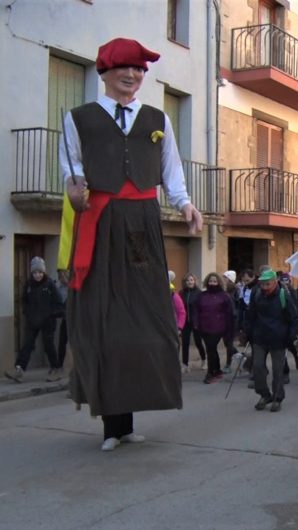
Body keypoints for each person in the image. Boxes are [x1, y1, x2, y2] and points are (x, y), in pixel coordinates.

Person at [60, 38, 203, 451]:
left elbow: (171, 170)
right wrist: (72, 194)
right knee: (104, 324)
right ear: (104, 72)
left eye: (140, 69)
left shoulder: (157, 118)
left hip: (142, 223)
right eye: (125, 67)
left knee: (145, 321)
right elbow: (70, 168)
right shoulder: (79, 118)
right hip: (100, 221)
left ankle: (130, 418)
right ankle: (112, 424)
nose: (133, 75)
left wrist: (185, 204)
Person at [245, 269, 298, 412]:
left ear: (275, 282)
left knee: (278, 370)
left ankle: (277, 398)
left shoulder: (283, 295)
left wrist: (290, 336)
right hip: (260, 337)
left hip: (279, 338)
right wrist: (247, 331)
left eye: (267, 284)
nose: (264, 287)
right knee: (257, 368)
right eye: (262, 284)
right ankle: (264, 394)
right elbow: (251, 314)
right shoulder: (256, 294)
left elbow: (294, 318)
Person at [5, 257, 63, 383]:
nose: (38, 275)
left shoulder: (50, 285)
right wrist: (27, 312)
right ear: (32, 273)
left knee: (49, 346)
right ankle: (19, 370)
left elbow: (59, 303)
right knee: (27, 345)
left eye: (40, 272)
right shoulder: (28, 285)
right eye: (35, 272)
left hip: (47, 321)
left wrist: (51, 314)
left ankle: (55, 369)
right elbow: (24, 300)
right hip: (33, 321)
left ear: (44, 272)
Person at [193, 273, 235, 384]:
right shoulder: (201, 295)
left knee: (211, 349)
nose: (212, 283)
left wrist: (230, 330)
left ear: (219, 283)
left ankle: (210, 373)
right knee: (211, 349)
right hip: (204, 327)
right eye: (210, 281)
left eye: (215, 281)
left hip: (219, 327)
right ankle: (217, 370)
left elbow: (230, 313)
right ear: (207, 282)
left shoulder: (225, 296)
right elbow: (196, 310)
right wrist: (196, 323)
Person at [179, 273, 207, 372]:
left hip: (196, 322)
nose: (190, 282)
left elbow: (202, 308)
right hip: (185, 322)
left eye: (191, 280)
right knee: (185, 343)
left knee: (198, 342)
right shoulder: (181, 293)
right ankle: (185, 364)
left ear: (195, 281)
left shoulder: (199, 293)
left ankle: (204, 360)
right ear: (184, 282)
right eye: (187, 280)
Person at [55, 269, 70, 373]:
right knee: (62, 341)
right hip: (65, 318)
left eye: (65, 273)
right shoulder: (57, 287)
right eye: (61, 273)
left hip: (74, 318)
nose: (64, 276)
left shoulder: (73, 285)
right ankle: (59, 365)